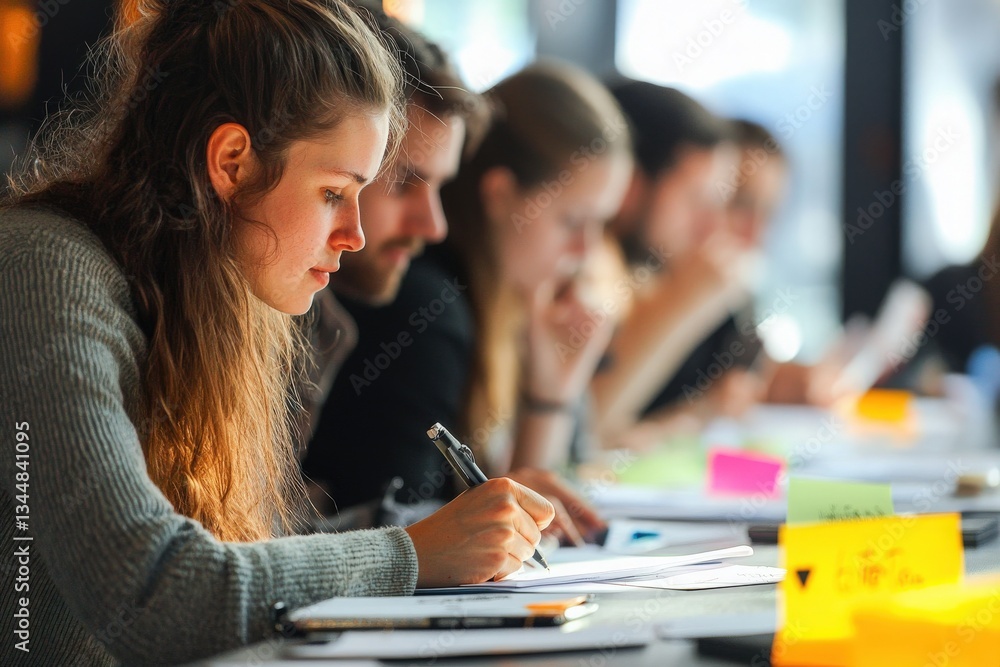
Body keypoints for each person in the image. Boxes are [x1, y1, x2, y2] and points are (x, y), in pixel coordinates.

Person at [0, 2, 553, 664]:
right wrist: (411, 552)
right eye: (332, 194)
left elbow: (247, 550)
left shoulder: (220, 293)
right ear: (231, 161)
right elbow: (148, 594)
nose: (356, 234)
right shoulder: (42, 268)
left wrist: (437, 533)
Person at [308, 61, 632, 543]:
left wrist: (553, 392)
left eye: (600, 226)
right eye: (572, 221)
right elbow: (399, 534)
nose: (587, 253)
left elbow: (530, 519)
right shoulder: (427, 308)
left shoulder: (496, 310)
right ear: (501, 195)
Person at [592, 80, 758, 448]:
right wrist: (684, 302)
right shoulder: (581, 268)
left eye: (720, 201)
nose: (712, 226)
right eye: (695, 199)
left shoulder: (641, 275)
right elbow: (586, 429)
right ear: (629, 183)